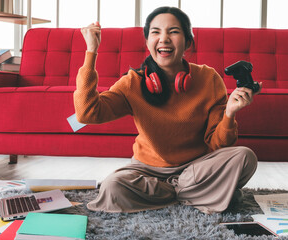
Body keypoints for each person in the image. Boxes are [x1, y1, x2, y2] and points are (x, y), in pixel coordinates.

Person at [74, 6, 262, 214]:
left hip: (196, 168)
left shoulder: (209, 78)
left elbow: (218, 145)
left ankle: (178, 191)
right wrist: (91, 52)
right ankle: (199, 194)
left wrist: (229, 113)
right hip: (146, 171)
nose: (164, 39)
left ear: (187, 42)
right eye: (155, 32)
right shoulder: (132, 83)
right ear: (147, 42)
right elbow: (86, 113)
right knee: (113, 187)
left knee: (245, 157)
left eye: (173, 31)